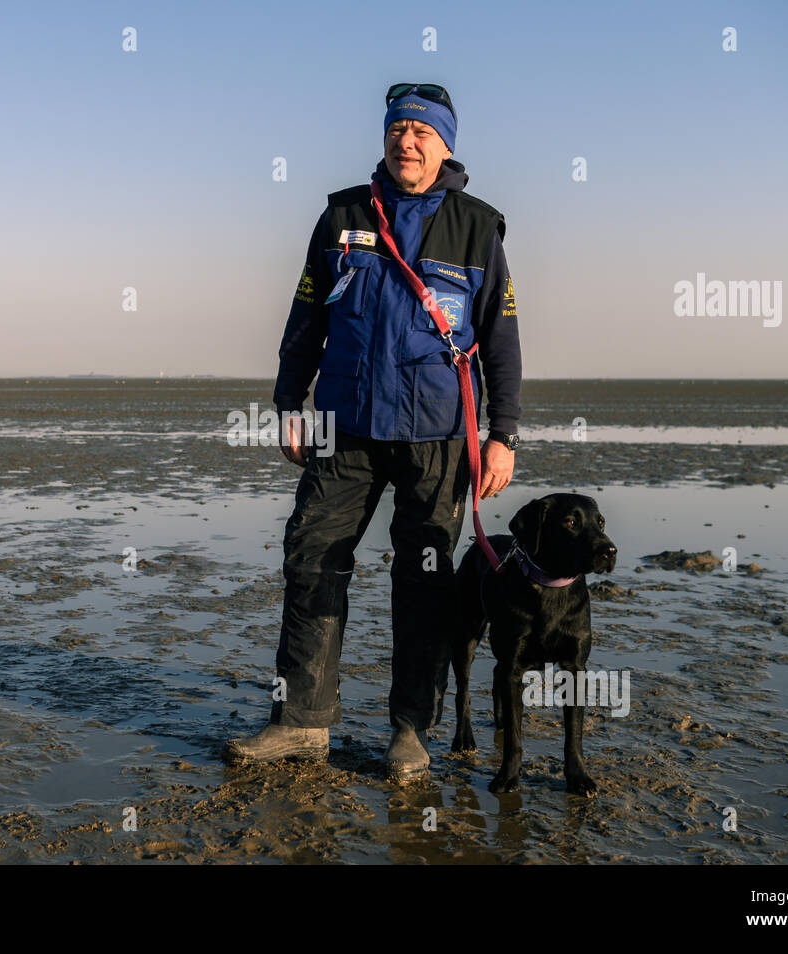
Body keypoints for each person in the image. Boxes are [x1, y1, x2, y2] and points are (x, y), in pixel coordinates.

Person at [223, 83, 523, 781]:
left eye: (422, 131)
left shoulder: (478, 226)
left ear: (446, 145)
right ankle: (300, 722)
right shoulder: (341, 216)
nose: (407, 141)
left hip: (438, 432)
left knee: (423, 579)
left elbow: (502, 341)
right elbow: (306, 322)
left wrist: (502, 433)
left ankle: (411, 731)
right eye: (398, 129)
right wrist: (289, 403)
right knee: (310, 557)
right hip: (343, 423)